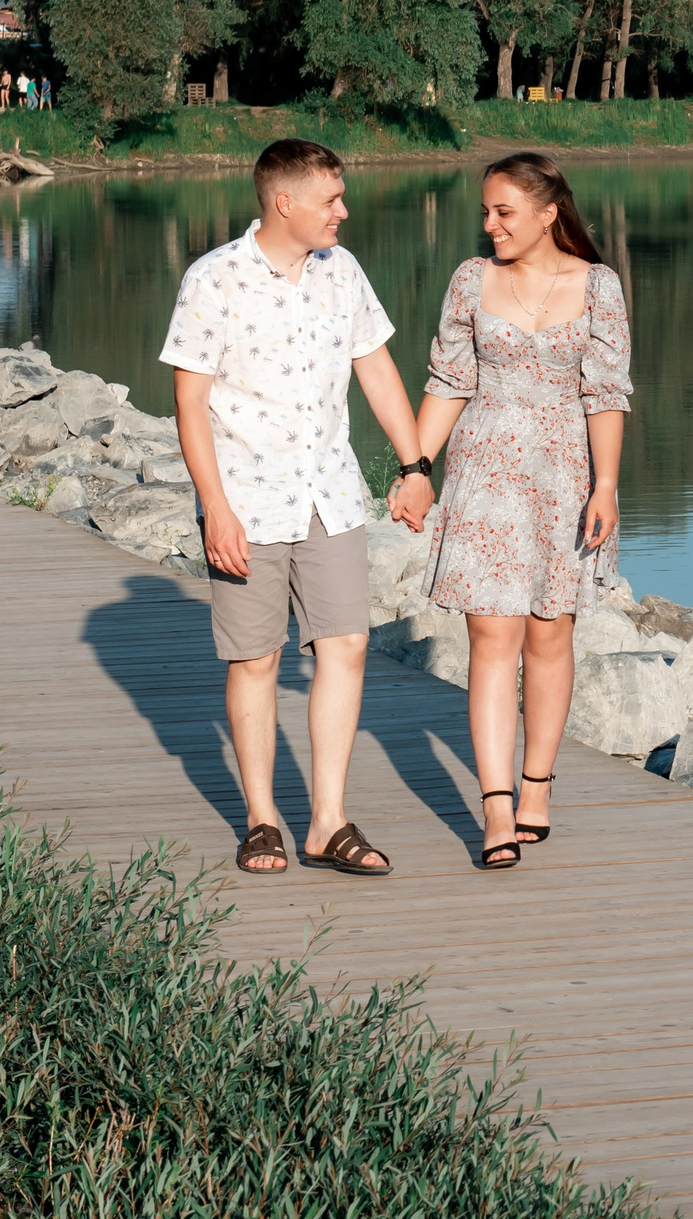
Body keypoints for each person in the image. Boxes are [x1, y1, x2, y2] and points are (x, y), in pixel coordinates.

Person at [163, 138, 431, 878]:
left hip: (330, 495)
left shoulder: (342, 272)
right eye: (332, 198)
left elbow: (375, 366)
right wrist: (215, 508)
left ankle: (328, 820)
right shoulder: (212, 279)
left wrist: (413, 463)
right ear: (286, 202)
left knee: (343, 647)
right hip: (246, 500)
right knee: (256, 658)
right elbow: (189, 404)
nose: (344, 210)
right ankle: (260, 819)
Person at [391, 152, 629, 871]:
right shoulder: (472, 279)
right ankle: (495, 809)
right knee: (492, 636)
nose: (489, 224)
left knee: (550, 635)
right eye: (486, 211)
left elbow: (606, 391)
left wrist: (607, 483)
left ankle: (536, 786)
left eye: (504, 212)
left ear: (549, 212)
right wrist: (415, 467)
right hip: (487, 472)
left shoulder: (599, 285)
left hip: (564, 476)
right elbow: (449, 380)